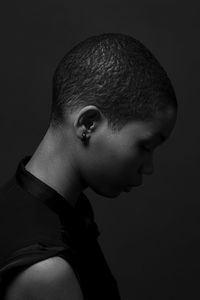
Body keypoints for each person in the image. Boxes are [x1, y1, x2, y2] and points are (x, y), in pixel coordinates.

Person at [0, 33, 177, 299]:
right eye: (145, 146)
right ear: (88, 124)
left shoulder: (38, 204)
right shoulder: (46, 272)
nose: (148, 167)